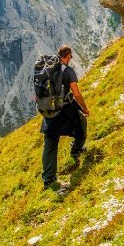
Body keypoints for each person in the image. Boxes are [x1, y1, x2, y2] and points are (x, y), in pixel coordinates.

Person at [40, 45, 90, 190]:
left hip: (49, 111)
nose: (71, 59)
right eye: (71, 56)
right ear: (67, 56)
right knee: (81, 124)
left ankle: (48, 179)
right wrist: (84, 108)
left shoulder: (46, 69)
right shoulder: (68, 71)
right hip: (65, 109)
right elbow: (76, 93)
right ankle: (76, 149)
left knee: (50, 142)